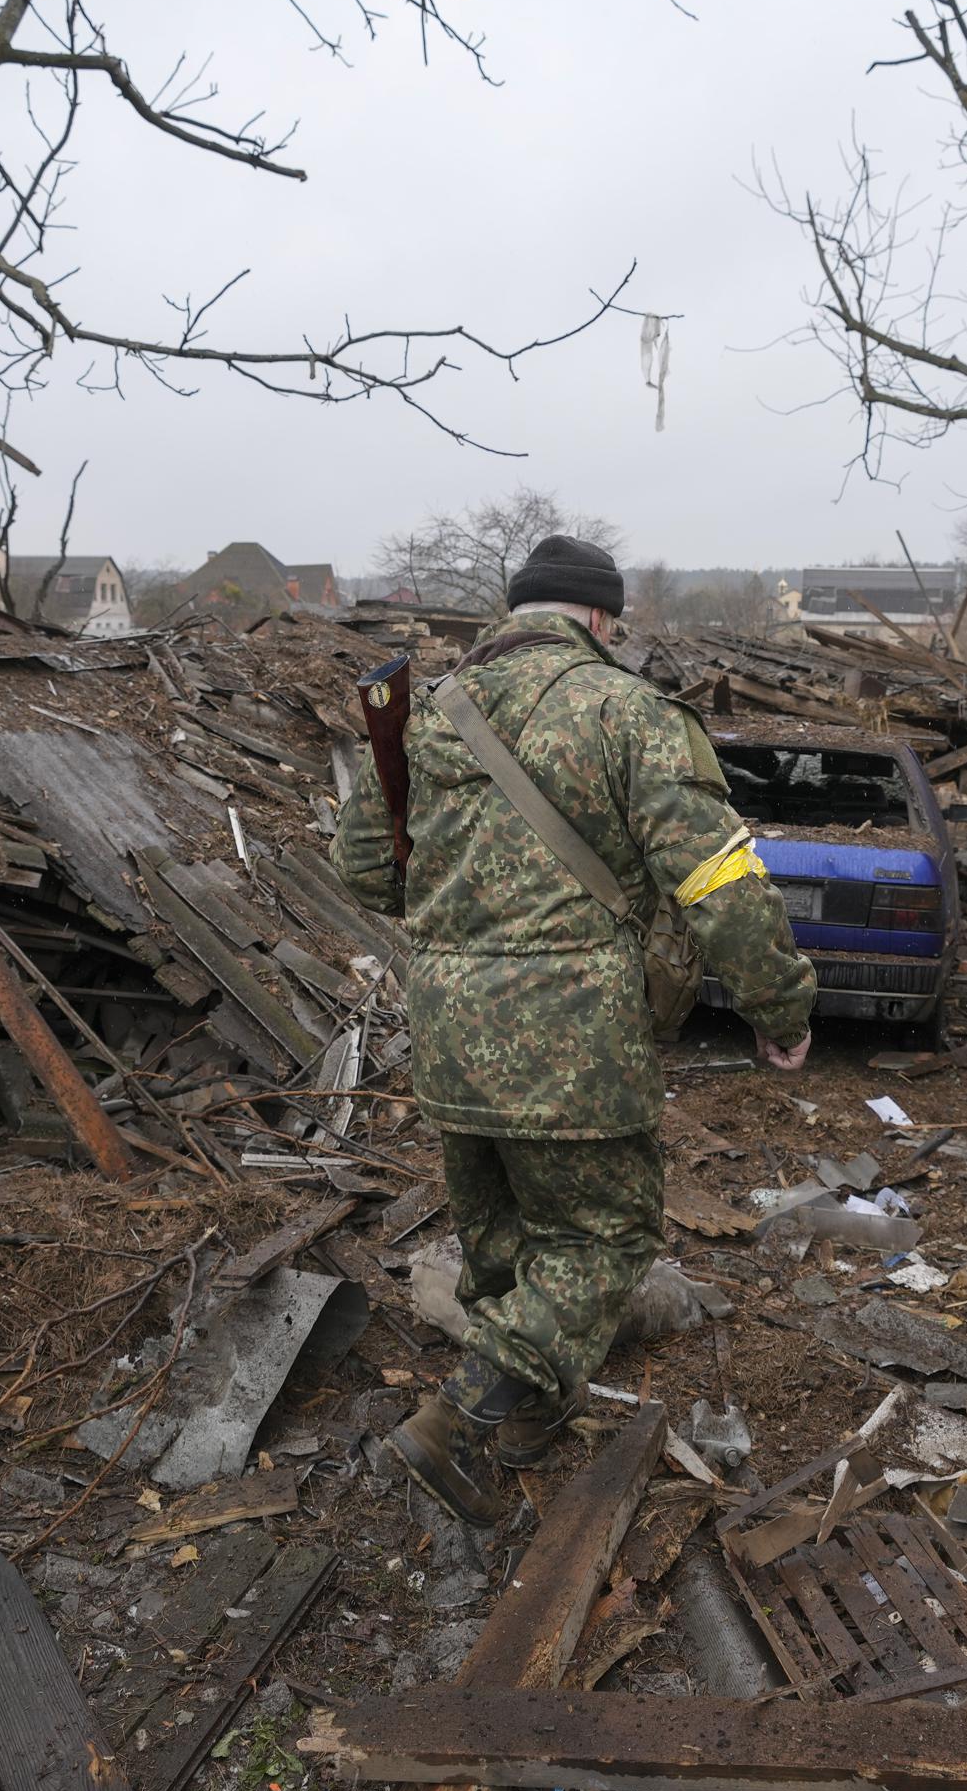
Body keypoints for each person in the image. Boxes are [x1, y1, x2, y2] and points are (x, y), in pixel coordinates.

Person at [333, 534, 818, 1522]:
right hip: (573, 1038)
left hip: (451, 1033)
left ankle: (526, 1415)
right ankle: (462, 1416)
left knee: (503, 1233)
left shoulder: (428, 716)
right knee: (604, 1233)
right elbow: (719, 880)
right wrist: (779, 1004)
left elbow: (367, 874)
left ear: (518, 610)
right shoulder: (625, 710)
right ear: (599, 618)